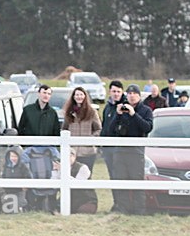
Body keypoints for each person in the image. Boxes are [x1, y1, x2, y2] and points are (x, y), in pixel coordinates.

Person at [104, 83, 153, 214]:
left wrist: (133, 114)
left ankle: (139, 210)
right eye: (129, 94)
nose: (132, 96)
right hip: (120, 151)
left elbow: (147, 127)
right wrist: (118, 114)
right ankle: (122, 209)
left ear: (139, 95)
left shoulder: (146, 110)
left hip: (136, 152)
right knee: (120, 181)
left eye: (134, 94)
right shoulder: (121, 109)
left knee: (137, 182)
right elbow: (110, 129)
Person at [100, 80, 128, 209]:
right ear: (109, 92)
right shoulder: (107, 107)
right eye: (113, 91)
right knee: (112, 176)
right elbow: (105, 127)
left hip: (120, 149)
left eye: (118, 91)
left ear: (122, 92)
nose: (116, 94)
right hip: (108, 148)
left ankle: (122, 203)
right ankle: (116, 202)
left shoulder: (125, 107)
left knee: (120, 176)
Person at [61, 86, 101, 173]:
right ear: (74, 97)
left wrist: (89, 139)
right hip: (72, 152)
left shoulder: (92, 112)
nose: (79, 97)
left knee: (87, 175)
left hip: (88, 151)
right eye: (77, 95)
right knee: (72, 175)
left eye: (81, 94)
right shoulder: (69, 112)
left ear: (85, 96)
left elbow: (98, 129)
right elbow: (64, 129)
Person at [0, 129, 31, 213]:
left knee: (19, 200)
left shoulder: (17, 150)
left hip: (19, 183)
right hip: (10, 183)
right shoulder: (12, 149)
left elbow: (25, 167)